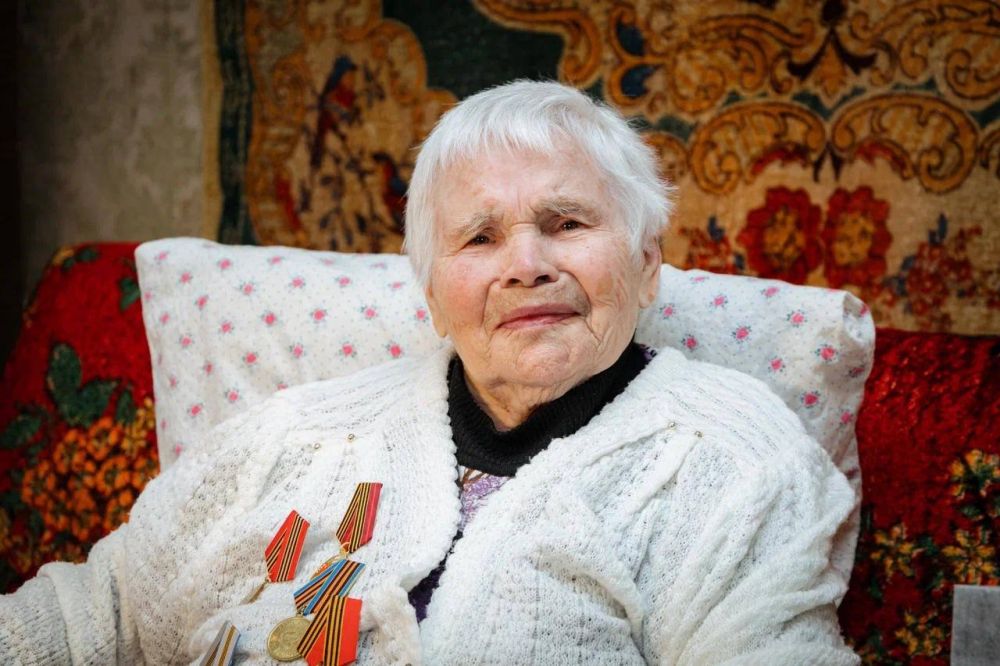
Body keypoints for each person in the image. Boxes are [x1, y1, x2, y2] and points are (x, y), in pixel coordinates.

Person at [0, 81, 859, 665]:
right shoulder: (296, 436)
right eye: (479, 238)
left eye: (566, 223)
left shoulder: (730, 460)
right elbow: (98, 613)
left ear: (645, 264)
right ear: (435, 295)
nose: (526, 264)